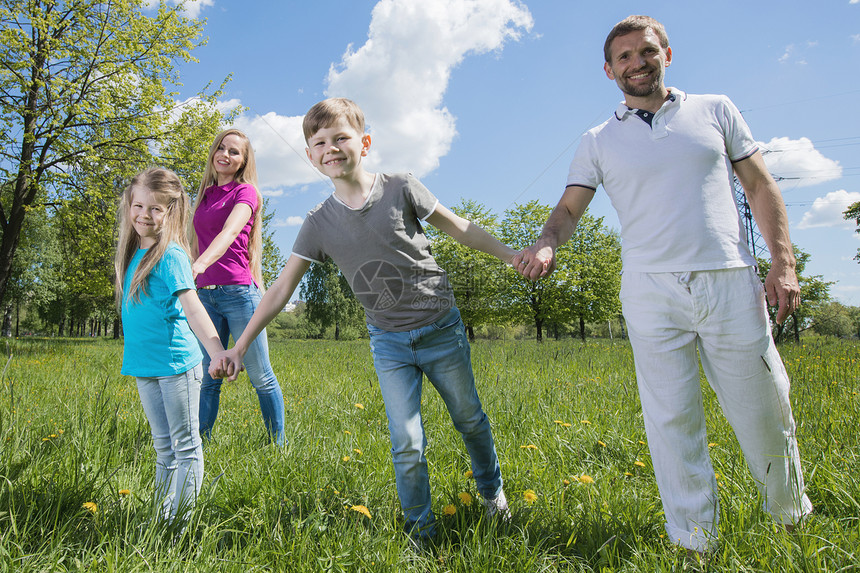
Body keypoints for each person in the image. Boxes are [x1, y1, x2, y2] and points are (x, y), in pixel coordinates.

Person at [515, 15, 812, 555]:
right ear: (609, 71)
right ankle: (695, 542)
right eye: (624, 57)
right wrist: (547, 241)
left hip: (727, 278)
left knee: (764, 406)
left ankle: (790, 520)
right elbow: (567, 207)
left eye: (646, 51)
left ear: (667, 54)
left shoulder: (715, 110)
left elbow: (760, 184)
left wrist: (783, 263)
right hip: (650, 291)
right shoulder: (598, 139)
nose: (637, 63)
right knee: (671, 420)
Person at [212, 97, 515, 544]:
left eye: (340, 138)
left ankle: (492, 495)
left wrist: (512, 256)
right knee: (406, 442)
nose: (330, 148)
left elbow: (458, 227)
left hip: (440, 329)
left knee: (469, 419)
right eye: (319, 143)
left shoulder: (400, 187)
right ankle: (421, 532)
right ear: (312, 157)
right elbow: (279, 290)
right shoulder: (318, 222)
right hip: (388, 342)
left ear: (364, 143)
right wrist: (239, 346)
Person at [115, 167, 228, 522]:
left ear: (171, 211)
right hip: (144, 366)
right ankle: (161, 517)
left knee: (186, 445)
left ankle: (181, 522)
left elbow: (193, 309)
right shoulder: (133, 254)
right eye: (138, 206)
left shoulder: (172, 256)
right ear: (129, 206)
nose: (144, 215)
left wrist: (217, 352)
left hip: (177, 366)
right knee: (162, 445)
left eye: (155, 209)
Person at [191, 129, 286, 446]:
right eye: (220, 148)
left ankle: (278, 446)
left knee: (261, 376)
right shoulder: (203, 196)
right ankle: (200, 444)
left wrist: (202, 264)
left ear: (244, 160)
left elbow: (230, 232)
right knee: (208, 375)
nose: (225, 155)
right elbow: (196, 243)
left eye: (234, 151)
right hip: (205, 296)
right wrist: (190, 277)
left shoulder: (246, 192)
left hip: (238, 293)